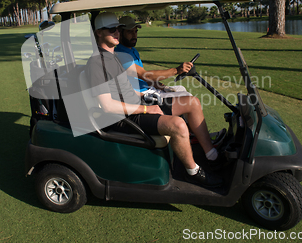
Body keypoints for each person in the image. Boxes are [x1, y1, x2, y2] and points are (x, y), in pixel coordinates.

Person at [85, 12, 223, 188]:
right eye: (111, 29)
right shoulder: (97, 63)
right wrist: (146, 109)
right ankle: (193, 172)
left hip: (136, 105)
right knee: (178, 125)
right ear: (98, 32)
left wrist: (144, 96)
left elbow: (123, 90)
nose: (117, 33)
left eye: (118, 29)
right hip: (123, 118)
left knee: (192, 102)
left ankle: (211, 155)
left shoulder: (114, 56)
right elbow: (107, 105)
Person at [115, 16, 190, 95]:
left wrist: (163, 87)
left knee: (182, 89)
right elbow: (146, 76)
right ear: (120, 33)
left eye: (135, 31)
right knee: (189, 98)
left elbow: (145, 80)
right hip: (141, 95)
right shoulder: (120, 54)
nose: (134, 35)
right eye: (130, 32)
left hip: (149, 89)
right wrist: (176, 71)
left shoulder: (133, 51)